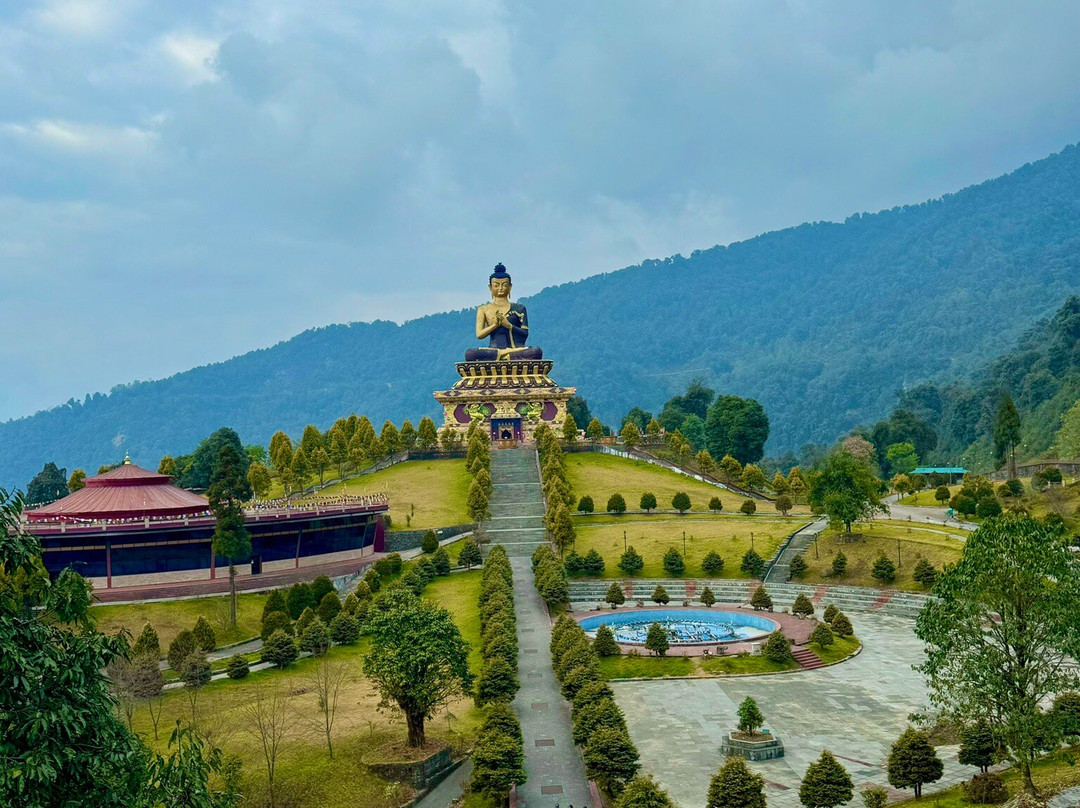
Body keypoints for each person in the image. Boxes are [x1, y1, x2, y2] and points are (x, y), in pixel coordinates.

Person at [465, 263, 543, 361]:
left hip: (515, 349)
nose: (500, 288)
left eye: (504, 285)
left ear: (510, 287)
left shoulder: (519, 308)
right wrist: (495, 325)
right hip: (494, 349)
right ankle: (504, 355)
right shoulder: (483, 309)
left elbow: (525, 333)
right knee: (470, 354)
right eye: (496, 285)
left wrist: (508, 325)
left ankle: (503, 356)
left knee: (536, 351)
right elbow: (479, 334)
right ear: (490, 287)